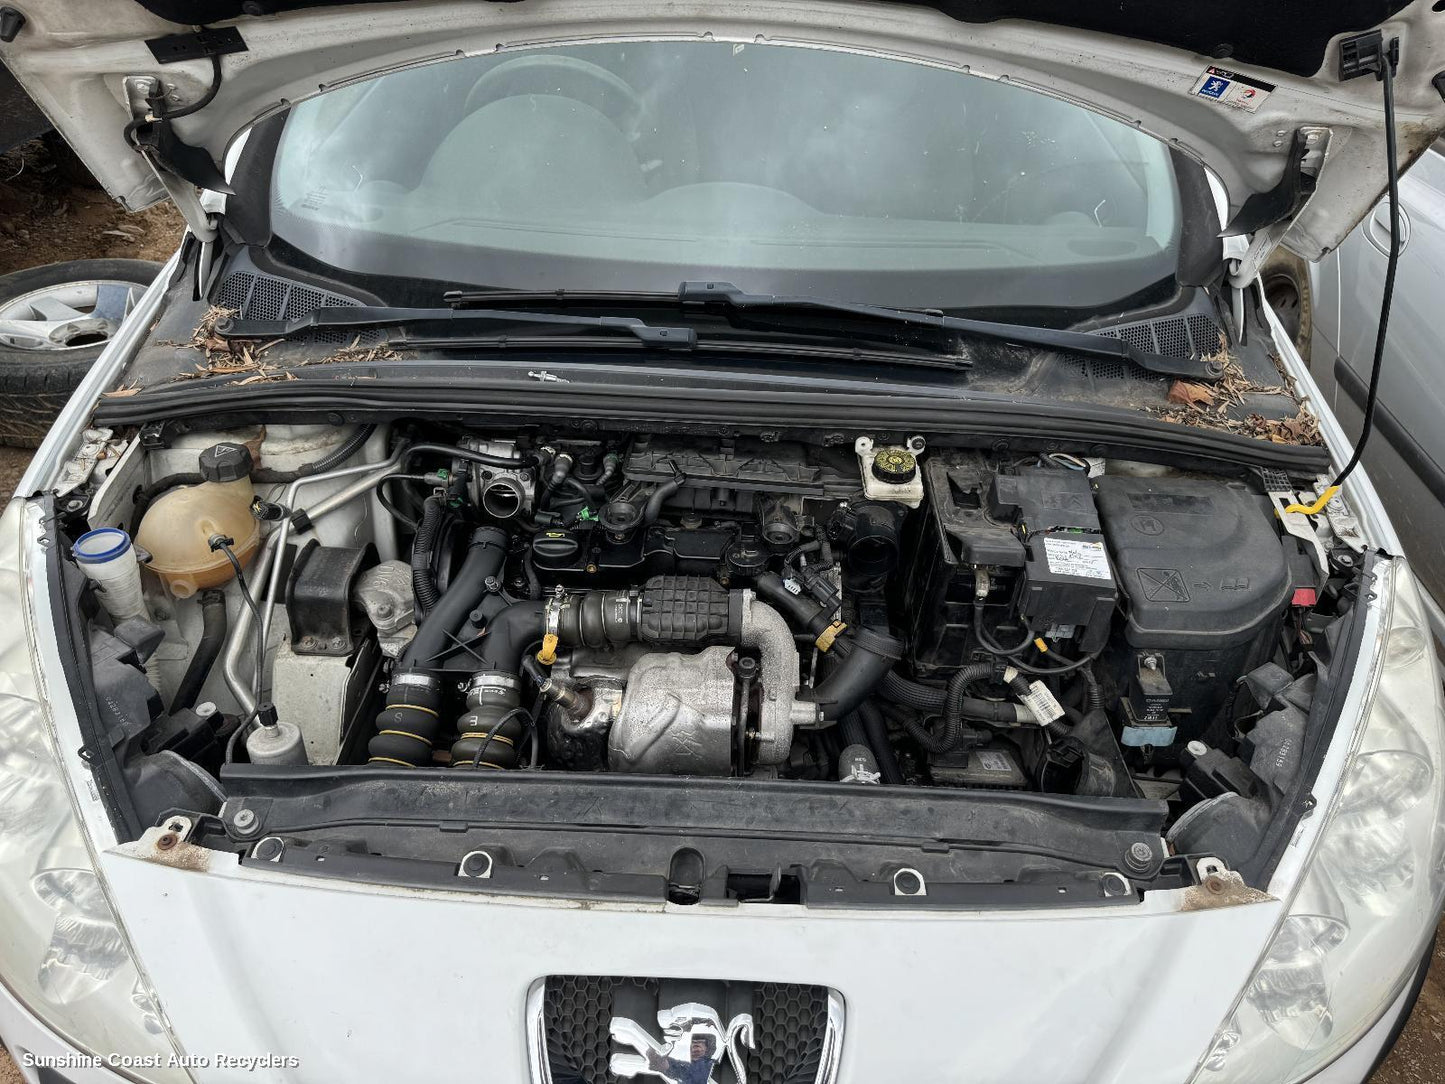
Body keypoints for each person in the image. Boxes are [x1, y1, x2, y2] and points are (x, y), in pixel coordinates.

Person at [645, 1030, 718, 1084]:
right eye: (693, 1044)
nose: (695, 1047)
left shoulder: (709, 1067)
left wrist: (665, 1066)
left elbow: (681, 1072)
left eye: (699, 1044)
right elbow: (680, 1070)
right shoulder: (694, 1066)